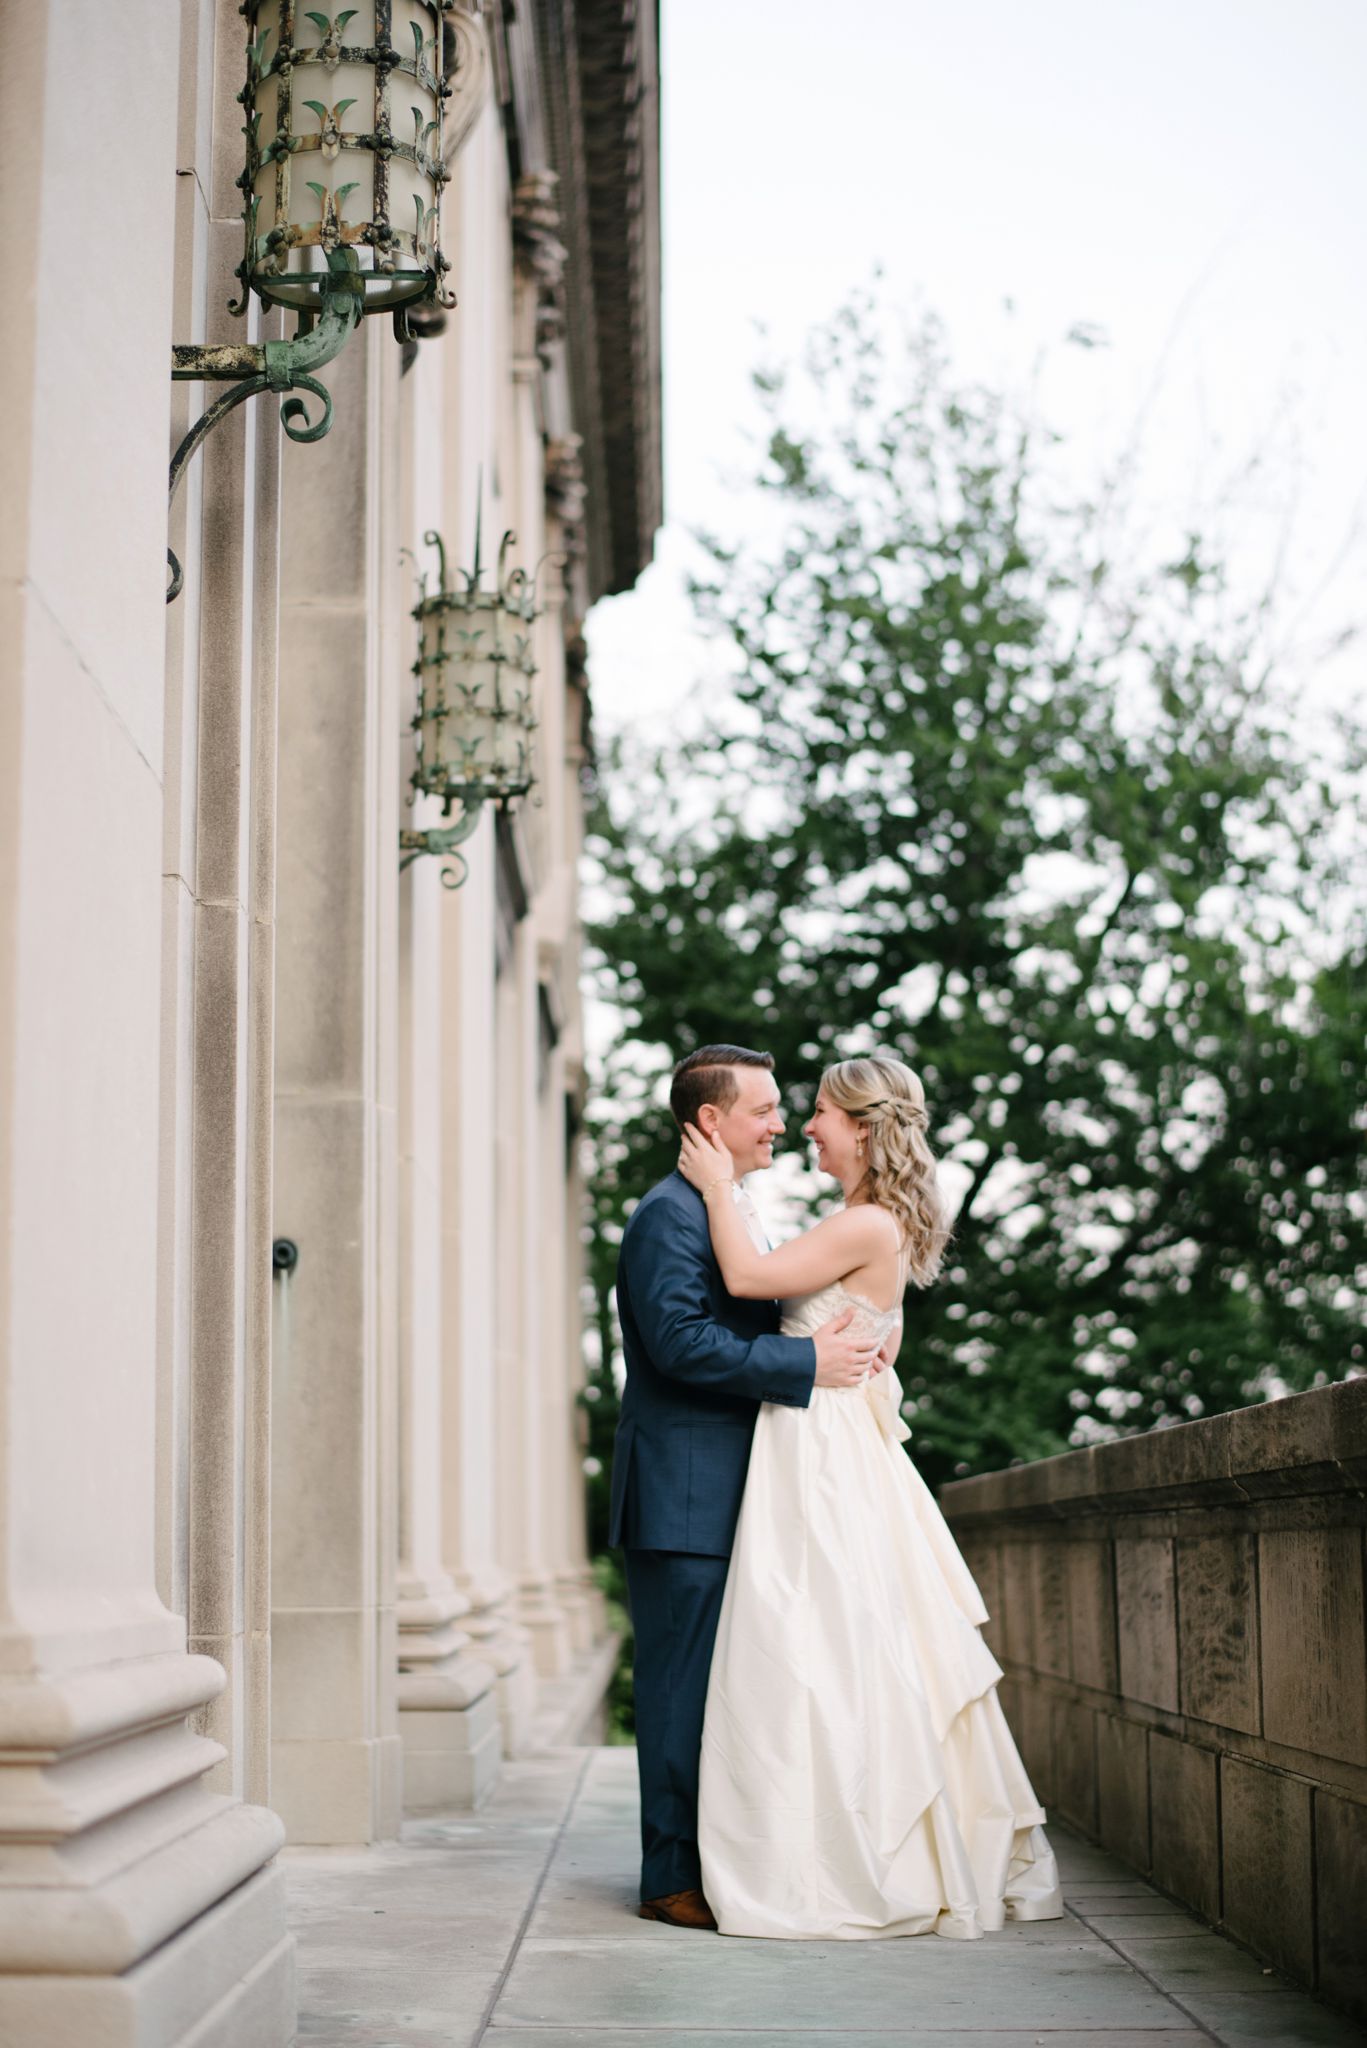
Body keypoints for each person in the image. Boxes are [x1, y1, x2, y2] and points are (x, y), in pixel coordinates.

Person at [678, 1052, 1062, 1940]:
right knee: (829, 1643)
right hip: (821, 1435)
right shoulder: (864, 1221)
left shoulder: (866, 1226)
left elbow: (744, 1281)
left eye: (817, 1112)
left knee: (817, 1638)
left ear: (859, 1126)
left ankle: (841, 1852)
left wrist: (716, 1188)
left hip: (820, 1452)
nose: (804, 1126)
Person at [610, 1045, 889, 1931]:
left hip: (736, 1493)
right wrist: (806, 1359)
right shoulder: (669, 1215)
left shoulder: (722, 1208)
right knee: (679, 1689)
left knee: (727, 1690)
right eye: (763, 1109)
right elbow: (681, 1344)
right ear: (710, 1121)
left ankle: (724, 1861)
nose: (779, 1122)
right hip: (682, 1497)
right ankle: (669, 1877)